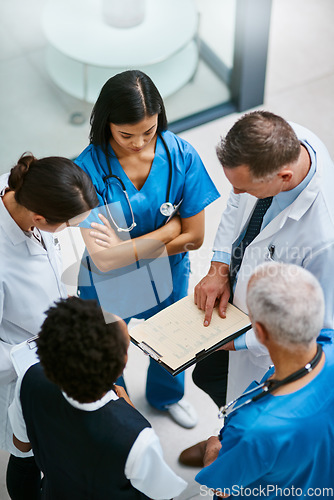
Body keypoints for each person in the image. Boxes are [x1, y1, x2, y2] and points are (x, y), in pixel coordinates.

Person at [179, 110, 334, 465]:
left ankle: (224, 447)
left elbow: (314, 331)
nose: (235, 192)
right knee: (208, 375)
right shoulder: (286, 138)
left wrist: (237, 341)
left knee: (248, 415)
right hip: (236, 303)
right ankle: (223, 437)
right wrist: (219, 266)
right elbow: (238, 202)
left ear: (284, 177)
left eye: (245, 186)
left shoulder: (323, 241)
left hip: (263, 344)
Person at [74, 69, 220, 428]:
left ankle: (166, 396)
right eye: (126, 135)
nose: (139, 143)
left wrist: (129, 250)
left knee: (169, 341)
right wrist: (168, 231)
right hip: (107, 285)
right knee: (110, 350)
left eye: (149, 131)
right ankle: (119, 411)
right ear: (107, 124)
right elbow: (104, 259)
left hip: (168, 276)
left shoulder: (181, 156)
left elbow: (195, 237)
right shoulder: (85, 171)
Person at [8, 296, 187, 500]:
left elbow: (22, 449)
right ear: (121, 367)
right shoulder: (137, 437)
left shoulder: (29, 379)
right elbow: (162, 495)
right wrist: (131, 415)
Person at [0, 153, 98, 499]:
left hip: (49, 342)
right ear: (40, 217)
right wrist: (41, 352)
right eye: (66, 225)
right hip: (21, 365)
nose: (69, 232)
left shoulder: (23, 192)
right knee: (26, 452)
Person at [195, 262, 334, 498]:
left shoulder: (252, 429)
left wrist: (212, 448)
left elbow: (222, 488)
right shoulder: (328, 342)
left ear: (259, 332)